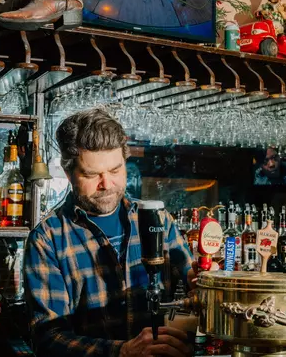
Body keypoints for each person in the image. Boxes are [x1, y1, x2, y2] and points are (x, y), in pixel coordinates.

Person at [24, 108, 194, 356]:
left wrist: (199, 296)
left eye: (115, 170)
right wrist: (122, 352)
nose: (107, 184)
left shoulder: (158, 221)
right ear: (69, 173)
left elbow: (188, 298)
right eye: (92, 174)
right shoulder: (48, 239)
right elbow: (48, 339)